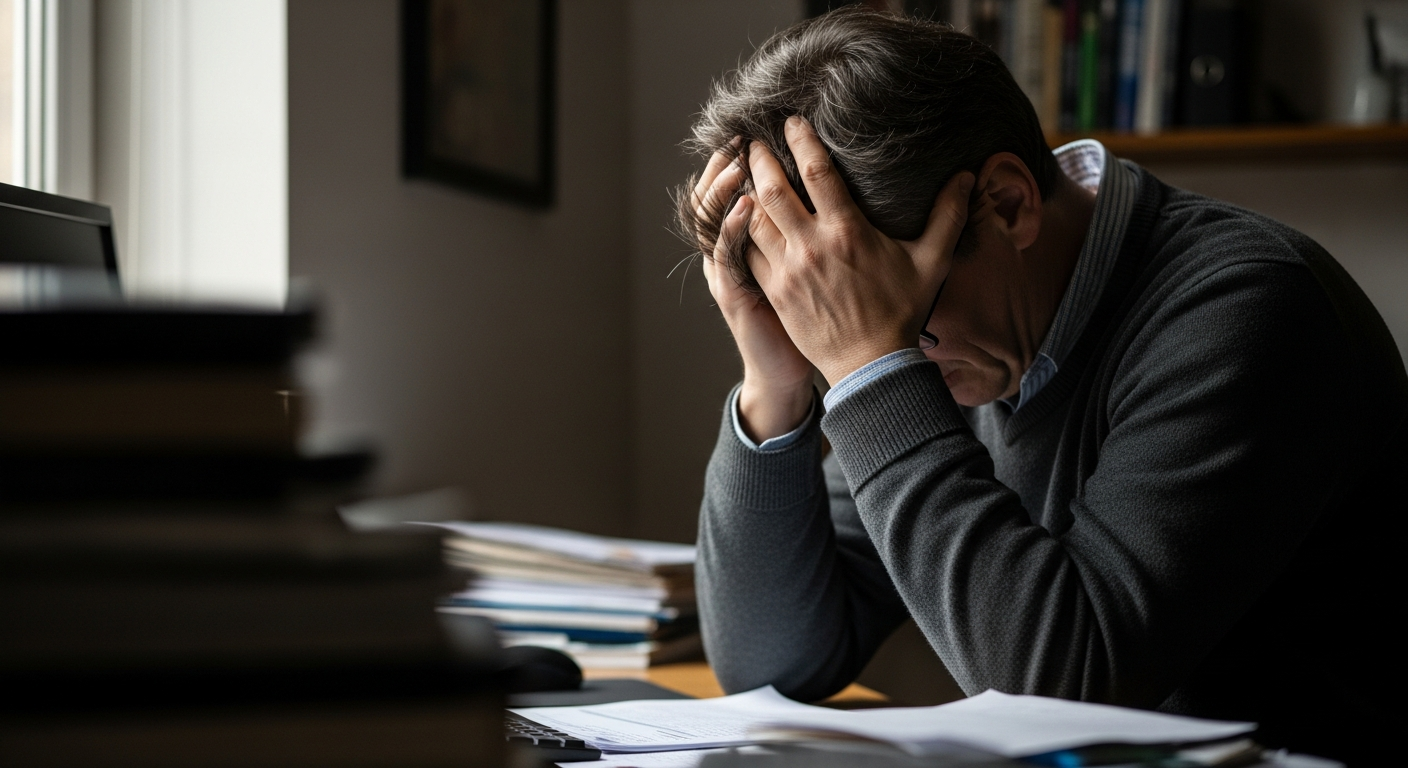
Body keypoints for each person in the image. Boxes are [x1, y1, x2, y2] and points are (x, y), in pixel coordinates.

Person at [679, 7, 1406, 764]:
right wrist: (778, 383)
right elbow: (770, 663)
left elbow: (1059, 694)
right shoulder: (968, 348)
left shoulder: (1246, 307)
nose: (864, 349)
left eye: (883, 312)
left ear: (1008, 204)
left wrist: (874, 364)